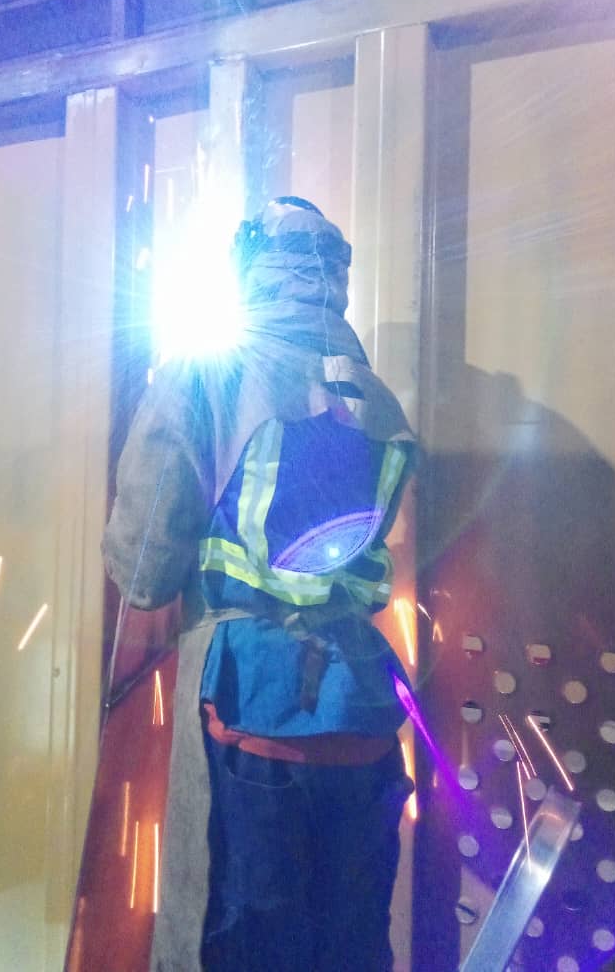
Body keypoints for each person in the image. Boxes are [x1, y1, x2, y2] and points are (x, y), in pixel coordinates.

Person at [102, 197, 418, 972]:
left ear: (244, 270)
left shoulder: (208, 372)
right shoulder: (377, 396)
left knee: (235, 943)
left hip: (246, 711)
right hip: (364, 716)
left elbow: (142, 571)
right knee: (349, 949)